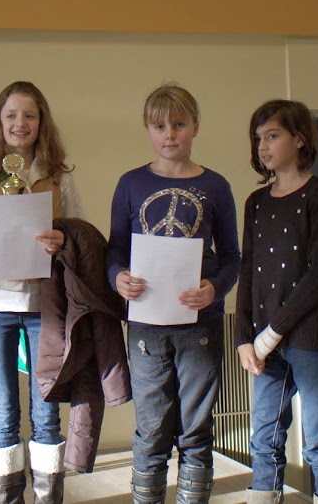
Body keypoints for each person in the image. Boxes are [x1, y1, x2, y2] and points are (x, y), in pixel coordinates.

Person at [106, 83, 240, 504]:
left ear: (195, 127)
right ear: (147, 129)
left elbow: (232, 256)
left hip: (200, 326)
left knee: (196, 429)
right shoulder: (130, 183)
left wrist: (214, 288)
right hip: (146, 326)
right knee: (151, 428)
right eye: (159, 126)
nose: (170, 134)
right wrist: (117, 277)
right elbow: (115, 249)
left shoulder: (216, 186)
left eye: (179, 125)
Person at [0, 81, 83, 503]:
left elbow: (80, 236)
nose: (20, 123)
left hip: (46, 305)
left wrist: (62, 240)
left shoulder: (60, 177)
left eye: (29, 115)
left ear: (41, 121)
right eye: (11, 115)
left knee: (46, 413)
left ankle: (48, 498)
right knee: (4, 413)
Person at [235, 99, 318, 504]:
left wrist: (272, 333)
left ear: (299, 139)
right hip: (265, 342)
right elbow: (248, 272)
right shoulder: (256, 203)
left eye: (273, 136)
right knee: (264, 438)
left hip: (312, 339)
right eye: (258, 138)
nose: (263, 146)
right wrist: (243, 337)